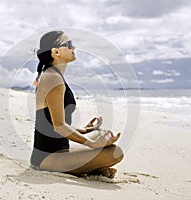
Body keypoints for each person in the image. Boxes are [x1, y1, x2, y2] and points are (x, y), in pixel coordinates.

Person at [30, 31, 123, 179]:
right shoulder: (52, 78)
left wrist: (85, 130)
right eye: (69, 45)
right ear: (56, 52)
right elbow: (58, 126)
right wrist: (92, 144)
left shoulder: (54, 76)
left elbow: (50, 123)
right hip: (46, 158)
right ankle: (90, 169)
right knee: (115, 153)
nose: (74, 47)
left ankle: (89, 168)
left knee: (101, 134)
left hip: (60, 151)